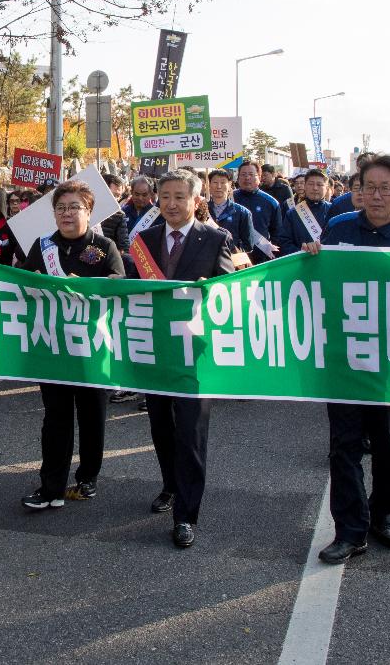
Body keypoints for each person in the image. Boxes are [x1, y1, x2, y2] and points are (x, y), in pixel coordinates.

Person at [303, 154, 390, 565]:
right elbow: (316, 283)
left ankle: (384, 516)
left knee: (388, 446)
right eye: (368, 187)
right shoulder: (339, 229)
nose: (376, 196)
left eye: (386, 188)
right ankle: (350, 531)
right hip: (343, 358)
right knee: (343, 447)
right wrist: (311, 257)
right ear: (358, 190)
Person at [135, 171, 235, 549]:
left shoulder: (215, 238)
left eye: (180, 197)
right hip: (157, 351)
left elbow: (228, 293)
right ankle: (170, 486)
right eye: (165, 197)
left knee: (190, 433)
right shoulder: (143, 241)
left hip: (196, 355)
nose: (172, 204)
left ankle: (186, 516)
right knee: (161, 426)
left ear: (196, 201)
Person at [19, 180, 125, 510]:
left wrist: (92, 286)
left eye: (74, 207)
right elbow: (22, 284)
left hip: (92, 348)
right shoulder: (42, 246)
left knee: (93, 416)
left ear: (89, 211)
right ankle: (50, 485)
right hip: (53, 347)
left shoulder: (104, 246)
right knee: (56, 418)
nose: (67, 214)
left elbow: (119, 286)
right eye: (61, 208)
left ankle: (88, 476)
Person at [233, 161, 282, 263]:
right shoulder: (229, 198)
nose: (247, 178)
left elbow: (277, 232)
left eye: (251, 174)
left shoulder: (271, 202)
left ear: (259, 177)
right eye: (243, 174)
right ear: (238, 177)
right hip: (233, 256)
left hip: (261, 259)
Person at [278, 168, 332, 255]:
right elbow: (284, 242)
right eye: (311, 184)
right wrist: (302, 252)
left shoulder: (334, 211)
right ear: (305, 186)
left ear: (326, 188)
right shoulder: (292, 213)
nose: (315, 188)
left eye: (319, 184)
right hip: (301, 263)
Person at [205, 168, 254, 258]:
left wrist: (232, 252)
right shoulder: (201, 211)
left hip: (231, 264)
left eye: (223, 182)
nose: (219, 186)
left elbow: (248, 246)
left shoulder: (243, 213)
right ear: (209, 185)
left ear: (230, 185)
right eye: (215, 182)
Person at [95, 174, 131, 253]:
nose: (116, 199)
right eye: (113, 194)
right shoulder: (84, 209)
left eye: (118, 196)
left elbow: (124, 247)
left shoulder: (119, 215)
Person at [121, 175, 159, 242]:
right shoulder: (122, 212)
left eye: (144, 195)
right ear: (132, 192)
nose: (140, 198)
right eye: (137, 194)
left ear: (150, 194)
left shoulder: (158, 215)